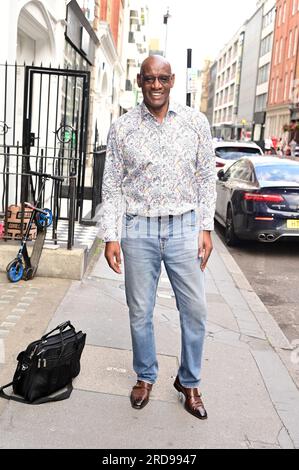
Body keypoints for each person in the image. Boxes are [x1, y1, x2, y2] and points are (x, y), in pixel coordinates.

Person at [100, 55, 216, 420]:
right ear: (139, 80)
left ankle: (190, 381)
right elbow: (112, 185)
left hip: (184, 226)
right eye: (149, 78)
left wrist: (206, 227)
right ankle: (146, 375)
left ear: (173, 81)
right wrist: (110, 235)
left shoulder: (196, 123)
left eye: (162, 79)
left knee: (195, 310)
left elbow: (206, 179)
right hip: (138, 228)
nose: (156, 85)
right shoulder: (122, 128)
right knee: (140, 311)